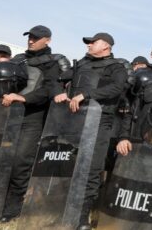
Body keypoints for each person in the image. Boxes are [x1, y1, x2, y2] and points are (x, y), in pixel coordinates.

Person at [0, 25, 71, 223]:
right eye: (29, 36)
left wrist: (23, 98)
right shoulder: (18, 59)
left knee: (20, 162)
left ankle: (12, 209)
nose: (31, 40)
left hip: (32, 119)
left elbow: (49, 90)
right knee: (0, 159)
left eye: (36, 38)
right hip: (7, 116)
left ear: (47, 40)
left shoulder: (52, 62)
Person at [55, 32, 127, 230]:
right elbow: (58, 80)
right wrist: (61, 92)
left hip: (99, 123)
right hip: (73, 123)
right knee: (67, 166)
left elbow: (116, 88)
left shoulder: (116, 67)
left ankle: (82, 219)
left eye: (92, 43)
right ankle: (59, 211)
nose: (88, 46)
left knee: (91, 171)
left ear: (106, 46)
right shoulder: (82, 65)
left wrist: (85, 95)